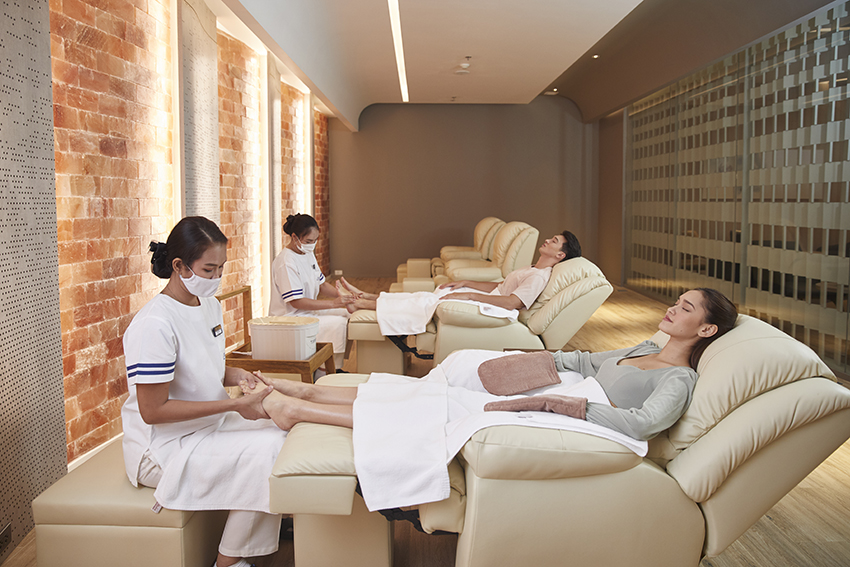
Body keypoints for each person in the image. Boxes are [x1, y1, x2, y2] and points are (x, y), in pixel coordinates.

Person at [238, 287, 738, 441]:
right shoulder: (642, 350)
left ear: (707, 330)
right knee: (433, 395)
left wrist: (564, 405)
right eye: (678, 300)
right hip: (563, 399)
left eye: (688, 308)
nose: (674, 307)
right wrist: (528, 358)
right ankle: (306, 394)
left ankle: (301, 408)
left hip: (576, 422)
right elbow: (584, 358)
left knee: (440, 408)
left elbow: (644, 424)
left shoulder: (678, 377)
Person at [121, 216, 285, 567]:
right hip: (162, 447)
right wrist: (234, 408)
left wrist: (238, 375)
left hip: (208, 425)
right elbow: (153, 411)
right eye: (209, 270)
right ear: (179, 266)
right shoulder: (154, 324)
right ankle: (228, 562)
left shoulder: (207, 303)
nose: (216, 279)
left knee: (281, 431)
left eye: (221, 268)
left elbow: (204, 365)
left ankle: (255, 530)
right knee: (266, 452)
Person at [337, 230, 583, 314]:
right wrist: (466, 283)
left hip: (493, 310)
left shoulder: (539, 276)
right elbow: (499, 287)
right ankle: (366, 297)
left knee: (426, 302)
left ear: (560, 255)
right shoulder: (532, 268)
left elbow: (512, 302)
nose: (548, 240)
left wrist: (470, 296)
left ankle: (361, 303)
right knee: (426, 295)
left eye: (554, 241)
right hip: (489, 300)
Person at [269, 213, 353, 370]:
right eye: (308, 241)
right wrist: (333, 304)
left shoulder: (306, 254)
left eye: (315, 241)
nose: (312, 245)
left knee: (348, 315)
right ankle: (324, 371)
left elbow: (321, 285)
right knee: (338, 323)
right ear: (294, 237)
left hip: (306, 313)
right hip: (290, 318)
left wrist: (346, 295)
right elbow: (296, 301)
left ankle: (334, 367)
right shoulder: (286, 262)